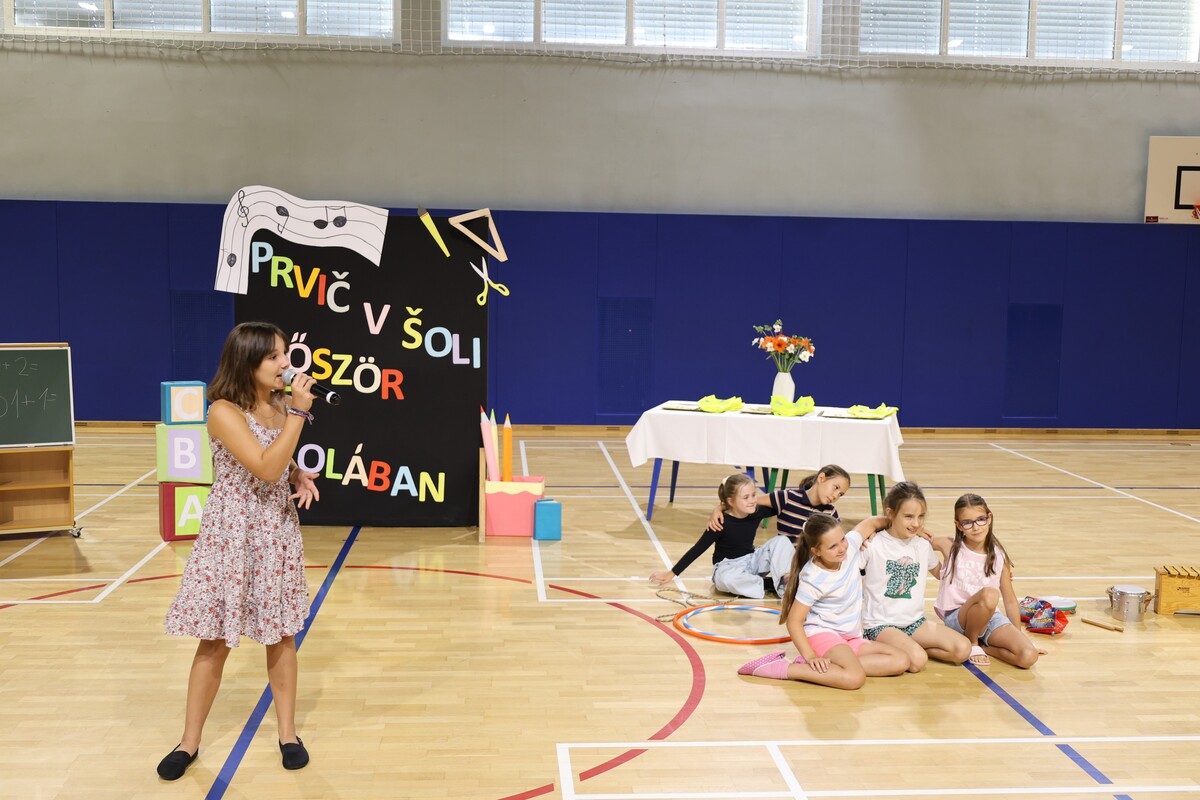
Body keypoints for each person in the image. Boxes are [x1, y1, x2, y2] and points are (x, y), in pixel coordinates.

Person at [157, 321, 321, 781]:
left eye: (284, 353)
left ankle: (288, 735)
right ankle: (188, 743)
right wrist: (298, 415)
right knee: (213, 641)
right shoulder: (223, 412)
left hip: (275, 532)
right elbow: (262, 467)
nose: (286, 363)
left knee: (281, 634)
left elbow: (277, 462)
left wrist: (296, 473)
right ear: (247, 362)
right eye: (274, 356)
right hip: (231, 534)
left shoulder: (279, 404)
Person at [738, 513, 910, 689]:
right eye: (833, 547)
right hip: (823, 634)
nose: (842, 548)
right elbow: (794, 621)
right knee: (854, 678)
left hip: (850, 637)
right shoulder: (813, 578)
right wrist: (810, 656)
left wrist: (910, 528)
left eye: (842, 539)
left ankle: (834, 668)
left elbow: (873, 522)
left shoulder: (850, 546)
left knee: (901, 660)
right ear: (816, 551)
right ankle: (786, 668)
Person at [860, 482, 970, 672]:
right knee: (918, 661)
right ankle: (885, 646)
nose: (916, 523)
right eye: (908, 517)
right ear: (890, 513)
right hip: (880, 624)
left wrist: (943, 545)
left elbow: (942, 575)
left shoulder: (922, 544)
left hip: (914, 622)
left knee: (962, 649)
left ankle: (907, 647)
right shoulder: (873, 543)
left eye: (921, 516)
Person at [931, 493, 1043, 669]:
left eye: (980, 519)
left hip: (990, 618)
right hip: (959, 617)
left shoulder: (999, 556)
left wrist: (1019, 636)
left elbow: (1010, 601)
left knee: (1028, 656)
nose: (975, 527)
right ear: (958, 525)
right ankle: (972, 642)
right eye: (967, 522)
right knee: (990, 594)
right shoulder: (950, 546)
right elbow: (915, 536)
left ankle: (984, 648)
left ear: (989, 518)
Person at [649, 473, 795, 599]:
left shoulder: (756, 512)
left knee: (781, 541)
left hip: (752, 561)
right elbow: (698, 549)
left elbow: (784, 503)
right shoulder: (720, 522)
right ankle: (769, 584)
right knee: (725, 580)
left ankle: (786, 583)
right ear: (730, 501)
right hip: (728, 567)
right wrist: (671, 573)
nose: (752, 500)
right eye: (746, 497)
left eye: (753, 495)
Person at [707, 465, 850, 542]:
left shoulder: (831, 513)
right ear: (821, 478)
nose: (835, 496)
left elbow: (839, 542)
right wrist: (720, 508)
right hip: (785, 562)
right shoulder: (787, 497)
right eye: (835, 488)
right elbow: (748, 502)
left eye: (840, 494)